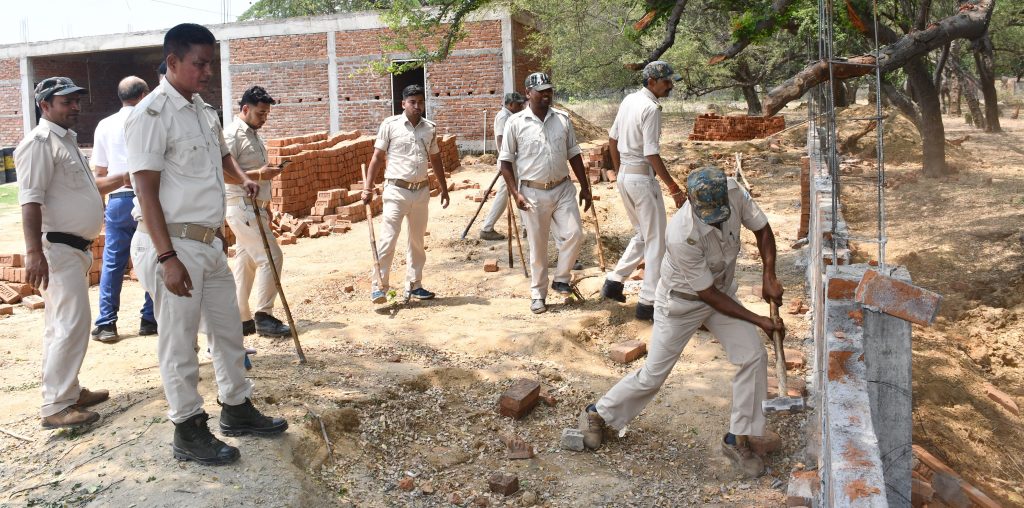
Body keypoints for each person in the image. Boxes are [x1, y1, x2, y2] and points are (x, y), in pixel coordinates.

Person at [126, 23, 286, 466]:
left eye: (210, 63)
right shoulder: (151, 115)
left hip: (210, 243)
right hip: (172, 244)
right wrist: (167, 258)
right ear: (172, 61)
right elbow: (145, 191)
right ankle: (188, 429)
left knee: (228, 331)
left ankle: (236, 407)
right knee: (180, 344)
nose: (207, 72)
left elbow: (220, 156)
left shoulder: (202, 110)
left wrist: (244, 178)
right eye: (199, 64)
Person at [577, 166, 785, 478]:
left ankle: (737, 437)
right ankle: (598, 413)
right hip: (682, 302)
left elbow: (763, 229)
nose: (715, 220)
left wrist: (769, 274)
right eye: (709, 216)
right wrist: (760, 320)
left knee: (753, 355)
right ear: (690, 199)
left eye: (720, 214)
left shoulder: (730, 190)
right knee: (653, 376)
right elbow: (707, 295)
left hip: (722, 293)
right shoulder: (681, 233)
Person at [16, 76, 110, 429]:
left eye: (76, 100)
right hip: (56, 249)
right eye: (66, 101)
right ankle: (56, 405)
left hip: (73, 249)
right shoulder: (38, 143)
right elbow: (30, 200)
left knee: (63, 325)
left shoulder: (65, 140)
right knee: (70, 325)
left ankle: (68, 391)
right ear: (45, 105)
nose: (75, 106)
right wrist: (32, 252)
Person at [498, 72, 592, 314]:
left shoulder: (562, 119)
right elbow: (505, 162)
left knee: (575, 233)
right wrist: (515, 193)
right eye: (540, 91)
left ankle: (561, 279)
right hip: (532, 192)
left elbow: (574, 154)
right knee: (538, 248)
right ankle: (538, 295)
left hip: (562, 188)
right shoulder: (515, 123)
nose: (546, 94)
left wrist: (585, 187)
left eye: (549, 90)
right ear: (528, 93)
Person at [600, 61, 686, 321]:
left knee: (643, 234)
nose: (670, 86)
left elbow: (612, 139)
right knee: (656, 241)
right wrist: (674, 188)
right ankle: (648, 302)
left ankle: (614, 282)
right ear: (651, 82)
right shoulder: (651, 108)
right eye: (666, 82)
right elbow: (651, 153)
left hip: (626, 177)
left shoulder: (629, 100)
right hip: (641, 179)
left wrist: (619, 171)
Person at [363, 84, 450, 304]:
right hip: (396, 191)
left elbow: (435, 159)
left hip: (420, 192)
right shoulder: (390, 125)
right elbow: (377, 157)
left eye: (420, 102)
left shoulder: (429, 128)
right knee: (388, 240)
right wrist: (367, 188)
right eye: (412, 102)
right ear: (403, 104)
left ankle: (414, 285)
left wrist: (444, 187)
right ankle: (379, 287)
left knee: (417, 242)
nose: (417, 106)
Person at [91, 76, 158, 342]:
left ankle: (107, 323)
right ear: (143, 95)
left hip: (118, 199)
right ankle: (150, 319)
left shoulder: (105, 125)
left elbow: (99, 173)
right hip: (149, 199)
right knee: (154, 257)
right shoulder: (152, 120)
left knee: (113, 262)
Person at [223, 85, 290, 338]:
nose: (264, 118)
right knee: (271, 257)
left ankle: (241, 319)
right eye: (261, 113)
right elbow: (222, 173)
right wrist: (260, 175)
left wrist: (266, 205)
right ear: (245, 109)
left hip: (254, 206)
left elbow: (257, 173)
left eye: (267, 114)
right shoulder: (232, 134)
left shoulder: (253, 134)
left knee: (247, 263)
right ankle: (264, 316)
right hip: (241, 205)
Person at [478, 92, 526, 240]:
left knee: (520, 191)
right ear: (510, 104)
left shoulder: (512, 116)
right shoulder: (503, 117)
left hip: (512, 161)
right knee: (504, 195)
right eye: (518, 104)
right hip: (508, 163)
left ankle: (526, 226)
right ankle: (487, 228)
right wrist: (506, 160)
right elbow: (500, 139)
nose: (521, 107)